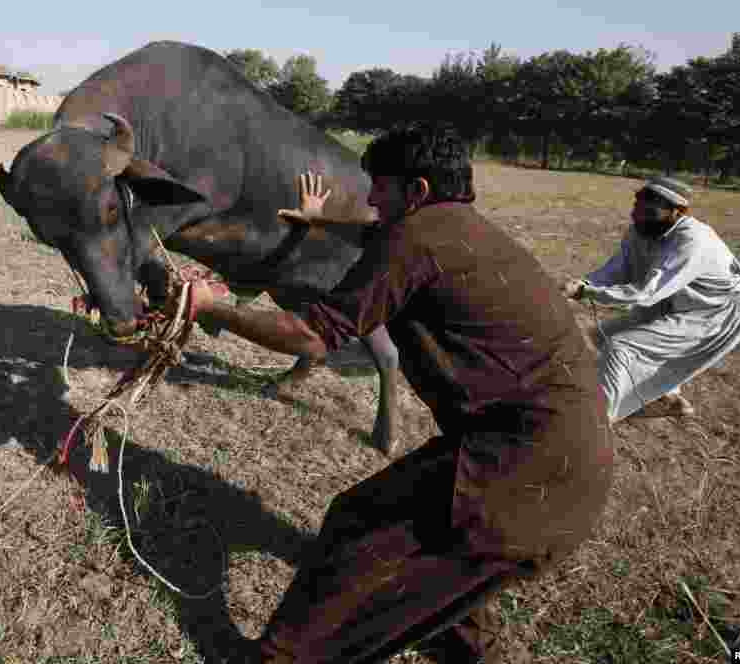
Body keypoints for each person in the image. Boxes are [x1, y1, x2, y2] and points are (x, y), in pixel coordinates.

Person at [188, 126, 614, 664]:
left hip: (522, 457)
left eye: (378, 188)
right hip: (575, 461)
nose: (369, 198)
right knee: (454, 563)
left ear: (415, 192)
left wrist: (211, 307)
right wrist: (321, 219)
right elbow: (374, 230)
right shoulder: (464, 231)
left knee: (358, 522)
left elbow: (312, 336)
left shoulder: (415, 238)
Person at [561, 176, 740, 422]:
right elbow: (618, 269)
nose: (637, 216)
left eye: (648, 210)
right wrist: (584, 283)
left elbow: (647, 292)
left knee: (621, 347)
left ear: (677, 212)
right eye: (636, 208)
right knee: (598, 336)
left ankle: (593, 423)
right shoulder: (642, 229)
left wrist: (587, 293)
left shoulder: (693, 240)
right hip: (678, 302)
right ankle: (667, 399)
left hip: (717, 313)